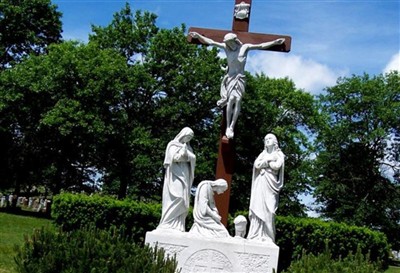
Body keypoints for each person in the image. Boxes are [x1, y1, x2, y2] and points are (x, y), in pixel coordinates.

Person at [189, 32, 285, 139]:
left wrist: (275, 42)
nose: (228, 44)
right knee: (231, 100)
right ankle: (228, 126)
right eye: (227, 43)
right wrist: (199, 36)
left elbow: (261, 45)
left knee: (238, 99)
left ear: (234, 41)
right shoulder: (226, 48)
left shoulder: (245, 47)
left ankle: (232, 126)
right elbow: (212, 42)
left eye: (229, 42)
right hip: (230, 78)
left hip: (240, 78)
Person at [247, 133, 284, 242]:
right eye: (265, 139)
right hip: (261, 181)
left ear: (275, 142)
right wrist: (268, 160)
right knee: (257, 206)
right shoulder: (263, 154)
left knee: (270, 210)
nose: (267, 140)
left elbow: (276, 166)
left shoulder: (279, 154)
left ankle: (269, 236)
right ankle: (256, 234)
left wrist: (265, 163)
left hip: (270, 181)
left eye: (269, 139)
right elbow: (256, 165)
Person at [157, 127, 196, 232]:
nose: (188, 140)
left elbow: (193, 158)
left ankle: (178, 225)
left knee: (184, 200)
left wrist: (188, 156)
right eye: (187, 137)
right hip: (175, 175)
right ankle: (167, 223)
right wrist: (183, 155)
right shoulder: (172, 145)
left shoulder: (189, 148)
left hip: (185, 175)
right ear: (182, 135)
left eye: (190, 138)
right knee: (177, 197)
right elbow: (173, 158)